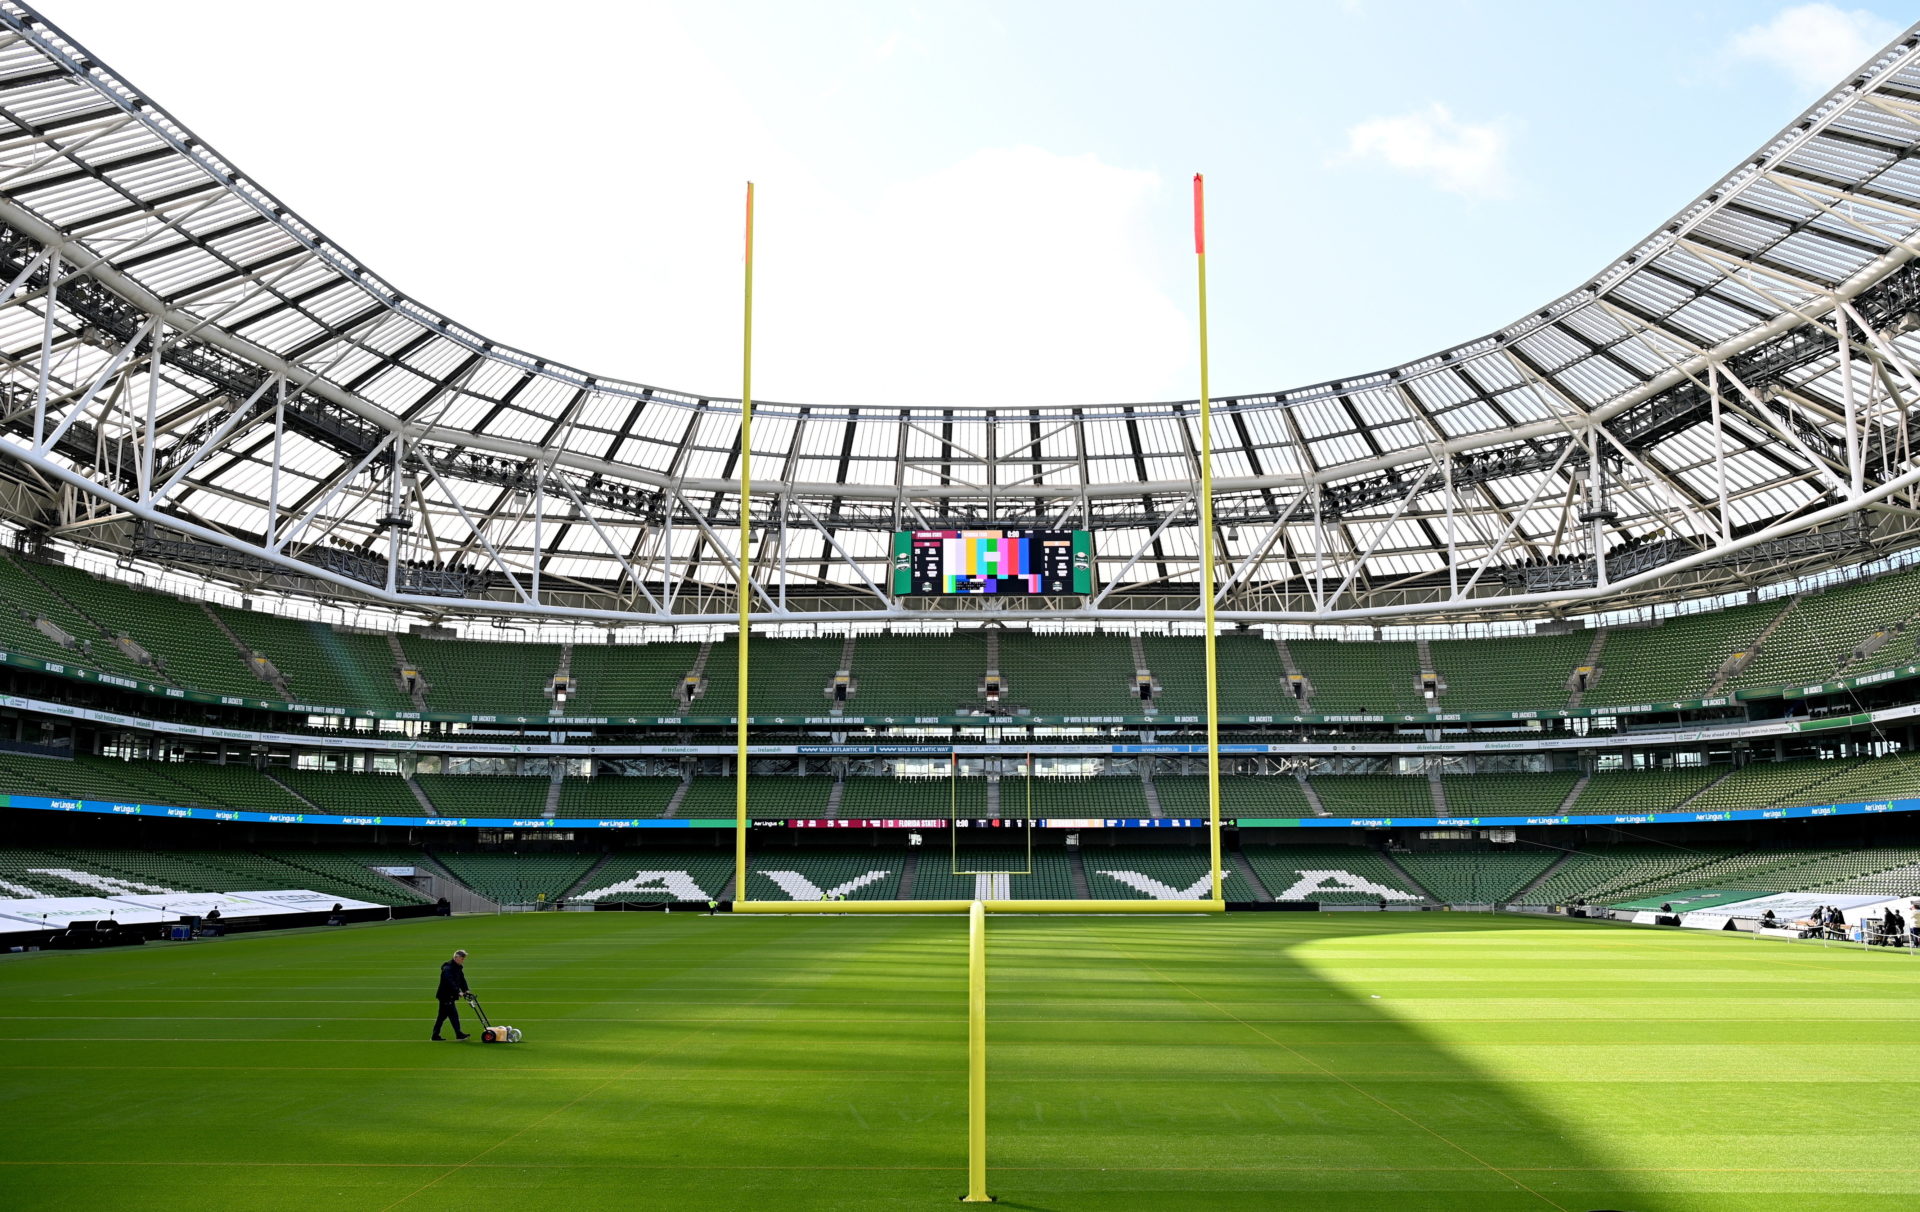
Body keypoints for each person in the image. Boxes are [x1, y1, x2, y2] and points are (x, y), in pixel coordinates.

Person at [433, 949, 472, 1041]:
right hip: (446, 996)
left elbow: (462, 980)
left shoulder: (458, 967)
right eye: (462, 958)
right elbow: (449, 982)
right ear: (456, 958)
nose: (463, 960)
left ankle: (435, 1035)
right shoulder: (448, 968)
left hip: (449, 996)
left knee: (442, 1017)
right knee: (453, 1015)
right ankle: (458, 1034)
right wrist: (458, 992)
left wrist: (466, 990)